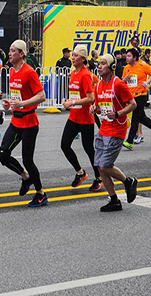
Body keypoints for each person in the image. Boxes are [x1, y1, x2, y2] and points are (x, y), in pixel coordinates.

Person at [0, 40, 47, 207]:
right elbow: (17, 97)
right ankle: (26, 178)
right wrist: (10, 103)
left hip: (29, 122)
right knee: (3, 154)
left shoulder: (29, 72)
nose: (9, 53)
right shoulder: (12, 71)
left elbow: (41, 96)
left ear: (21, 54)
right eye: (9, 50)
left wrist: (23, 103)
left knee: (28, 160)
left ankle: (41, 194)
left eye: (13, 51)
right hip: (15, 120)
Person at [90, 54, 138, 212]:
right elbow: (99, 107)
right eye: (99, 63)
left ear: (111, 67)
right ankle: (114, 200)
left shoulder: (118, 84)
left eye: (103, 63)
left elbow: (133, 104)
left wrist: (118, 114)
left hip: (117, 129)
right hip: (103, 129)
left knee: (105, 165)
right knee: (99, 167)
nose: (99, 66)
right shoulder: (98, 86)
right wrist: (94, 109)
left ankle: (128, 181)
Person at [61, 45, 102, 192]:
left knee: (89, 149)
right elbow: (75, 95)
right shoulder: (72, 73)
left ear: (83, 59)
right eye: (72, 55)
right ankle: (80, 173)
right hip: (74, 117)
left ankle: (99, 177)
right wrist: (69, 100)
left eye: (76, 56)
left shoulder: (85, 75)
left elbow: (90, 98)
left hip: (85, 119)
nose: (72, 57)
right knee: (64, 145)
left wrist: (72, 102)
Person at [122, 48, 151, 150]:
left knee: (136, 118)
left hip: (140, 95)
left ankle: (129, 141)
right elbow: (122, 83)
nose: (127, 58)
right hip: (131, 97)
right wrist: (124, 80)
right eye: (126, 56)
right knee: (141, 117)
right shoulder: (126, 68)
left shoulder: (142, 65)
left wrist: (147, 82)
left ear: (135, 57)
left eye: (129, 56)